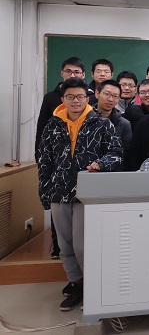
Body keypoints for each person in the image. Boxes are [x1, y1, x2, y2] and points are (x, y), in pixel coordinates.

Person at [37, 78, 123, 311]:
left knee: (84, 245)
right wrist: (45, 192)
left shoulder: (101, 123)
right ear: (63, 99)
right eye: (70, 97)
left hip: (89, 193)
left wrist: (101, 163)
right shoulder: (52, 125)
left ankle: (94, 287)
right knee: (65, 245)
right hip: (59, 191)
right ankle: (77, 284)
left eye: (80, 97)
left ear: (88, 98)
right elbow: (45, 161)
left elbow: (116, 153)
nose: (75, 101)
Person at [35, 56, 89, 260]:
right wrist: (41, 162)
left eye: (76, 72)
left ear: (83, 75)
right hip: (58, 171)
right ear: (62, 73)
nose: (72, 74)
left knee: (82, 229)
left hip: (85, 173)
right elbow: (41, 132)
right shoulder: (51, 98)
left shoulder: (91, 105)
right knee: (59, 216)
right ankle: (58, 250)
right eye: (68, 71)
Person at [93, 80, 132, 155]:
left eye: (115, 96)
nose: (110, 99)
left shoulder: (124, 124)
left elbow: (125, 152)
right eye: (107, 94)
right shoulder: (85, 118)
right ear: (97, 94)